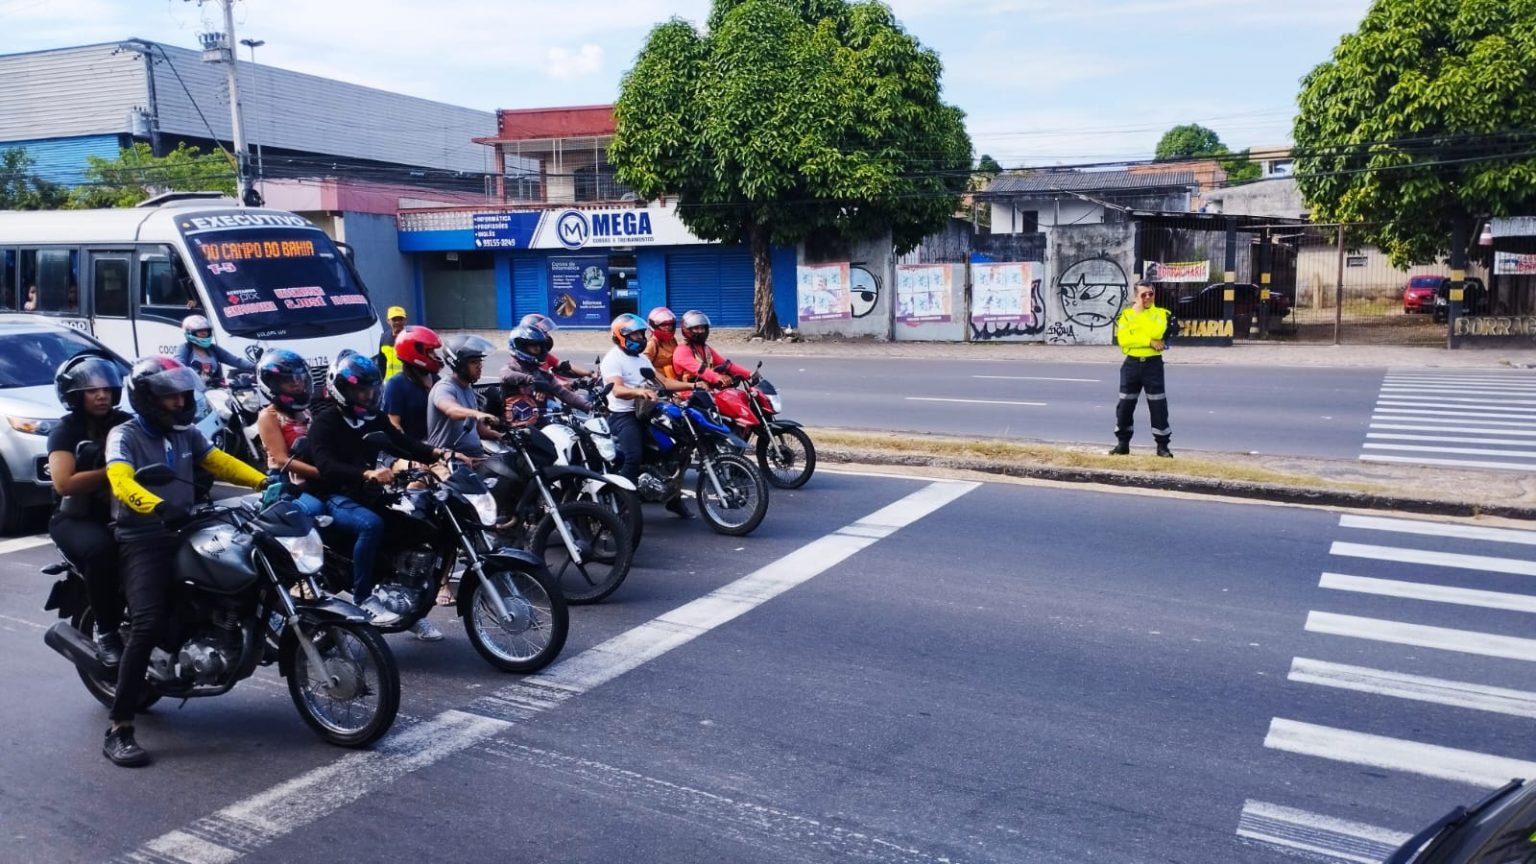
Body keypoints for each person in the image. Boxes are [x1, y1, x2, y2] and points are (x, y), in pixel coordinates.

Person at [101, 356, 269, 766]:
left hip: (188, 523)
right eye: (170, 396)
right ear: (147, 399)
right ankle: (120, 727)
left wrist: (266, 480)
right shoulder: (124, 435)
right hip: (143, 535)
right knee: (146, 624)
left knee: (246, 569)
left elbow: (218, 462)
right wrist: (157, 507)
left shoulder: (185, 432)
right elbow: (120, 481)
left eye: (183, 394)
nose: (180, 402)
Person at [308, 351, 453, 640]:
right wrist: (366, 473)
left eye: (371, 390)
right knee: (371, 525)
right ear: (341, 390)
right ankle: (364, 597)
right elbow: (325, 465)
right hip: (335, 495)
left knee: (421, 527)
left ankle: (410, 608)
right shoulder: (325, 422)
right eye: (361, 390)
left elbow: (401, 442)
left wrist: (439, 453)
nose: (367, 396)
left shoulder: (373, 418)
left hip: (368, 494)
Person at [47, 354, 133, 668]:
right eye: (92, 390)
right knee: (100, 550)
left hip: (125, 509)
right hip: (76, 516)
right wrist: (117, 472)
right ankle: (107, 632)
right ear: (74, 395)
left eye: (107, 389)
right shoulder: (66, 431)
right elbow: (64, 483)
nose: (101, 395)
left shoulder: (126, 422)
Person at [600, 313, 706, 518]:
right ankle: (620, 506)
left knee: (679, 449)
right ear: (621, 336)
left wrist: (693, 386)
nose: (641, 339)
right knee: (633, 456)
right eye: (636, 335)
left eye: (642, 334)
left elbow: (664, 382)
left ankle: (673, 499)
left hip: (648, 410)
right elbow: (617, 390)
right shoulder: (612, 359)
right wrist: (639, 391)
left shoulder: (642, 359)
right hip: (624, 415)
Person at [1110, 280, 1173, 458]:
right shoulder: (1127, 315)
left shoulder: (1162, 314)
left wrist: (1138, 333)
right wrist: (1148, 341)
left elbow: (1157, 333)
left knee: (1158, 405)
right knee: (1125, 405)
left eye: (1150, 294)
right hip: (1131, 364)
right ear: (1135, 297)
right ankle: (1122, 444)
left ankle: (1162, 446)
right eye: (1143, 294)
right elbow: (1124, 340)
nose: (1147, 297)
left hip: (1153, 365)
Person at [500, 323, 590, 428]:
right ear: (521, 346)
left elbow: (565, 394)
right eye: (533, 346)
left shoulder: (543, 374)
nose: (538, 349)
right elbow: (505, 375)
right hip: (516, 426)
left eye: (539, 346)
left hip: (540, 423)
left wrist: (590, 407)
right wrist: (531, 380)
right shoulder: (512, 367)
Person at [426, 335, 501, 460]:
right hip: (450, 459)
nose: (479, 366)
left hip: (475, 457)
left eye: (479, 361)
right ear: (459, 364)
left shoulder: (468, 388)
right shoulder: (444, 387)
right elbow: (451, 410)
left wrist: (501, 436)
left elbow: (478, 430)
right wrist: (477, 414)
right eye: (473, 362)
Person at [382, 325, 442, 442]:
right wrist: (415, 449)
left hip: (439, 446)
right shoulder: (396, 385)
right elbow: (394, 424)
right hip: (414, 448)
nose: (435, 356)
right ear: (416, 353)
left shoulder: (436, 379)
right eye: (431, 352)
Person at [672, 310, 752, 388]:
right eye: (696, 328)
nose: (700, 331)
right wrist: (718, 378)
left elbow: (726, 365)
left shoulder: (705, 348)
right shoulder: (682, 350)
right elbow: (700, 370)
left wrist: (749, 375)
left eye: (702, 328)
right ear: (687, 330)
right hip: (687, 391)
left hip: (705, 389)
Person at [175, 314, 254, 387]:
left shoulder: (213, 348)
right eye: (200, 331)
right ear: (189, 333)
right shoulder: (185, 348)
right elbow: (178, 366)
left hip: (214, 390)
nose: (204, 333)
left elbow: (236, 361)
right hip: (193, 389)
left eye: (206, 331)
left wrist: (255, 367)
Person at [519, 313, 594, 379]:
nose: (547, 335)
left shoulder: (543, 355)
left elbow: (563, 365)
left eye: (546, 332)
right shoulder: (523, 361)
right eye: (544, 332)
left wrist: (589, 373)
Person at [642, 307, 679, 379]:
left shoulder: (672, 340)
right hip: (660, 381)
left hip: (673, 378)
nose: (667, 327)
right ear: (654, 326)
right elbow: (644, 365)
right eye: (663, 325)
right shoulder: (652, 344)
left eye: (670, 325)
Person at [375, 305, 408, 379]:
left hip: (406, 382)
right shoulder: (384, 338)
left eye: (400, 319)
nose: (397, 322)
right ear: (388, 321)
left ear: (405, 320)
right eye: (394, 319)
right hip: (388, 382)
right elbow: (381, 363)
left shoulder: (410, 338)